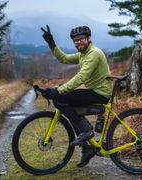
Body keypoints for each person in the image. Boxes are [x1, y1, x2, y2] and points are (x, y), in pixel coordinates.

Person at [40, 25, 112, 167]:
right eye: (76, 40)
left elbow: (81, 77)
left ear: (88, 38)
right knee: (69, 108)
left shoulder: (93, 54)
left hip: (100, 94)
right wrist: (51, 43)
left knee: (60, 99)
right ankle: (86, 148)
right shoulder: (83, 54)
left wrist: (59, 90)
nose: (78, 42)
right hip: (94, 91)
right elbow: (64, 59)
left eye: (81, 39)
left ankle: (86, 131)